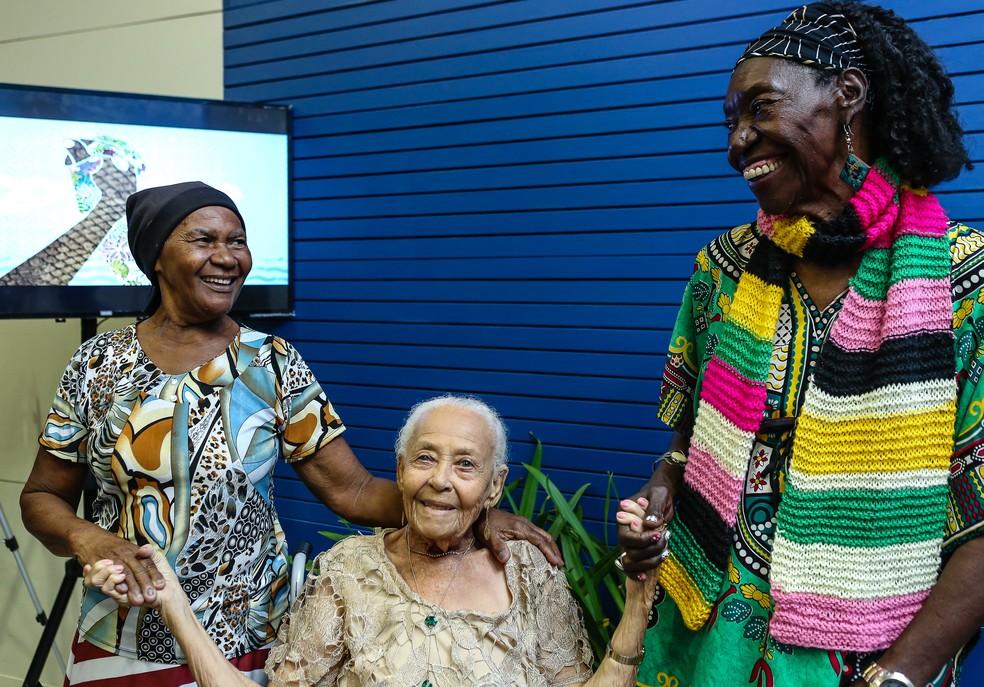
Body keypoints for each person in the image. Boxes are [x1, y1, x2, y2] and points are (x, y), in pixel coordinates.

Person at [19, 182, 561, 686]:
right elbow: (42, 497)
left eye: (237, 241)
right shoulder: (97, 364)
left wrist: (465, 514)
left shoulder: (272, 363)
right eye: (204, 240)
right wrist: (87, 538)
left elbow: (352, 490)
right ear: (156, 257)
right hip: (119, 635)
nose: (227, 257)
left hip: (246, 639)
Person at [617, 3, 984, 687]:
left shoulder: (966, 285)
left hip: (866, 656)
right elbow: (688, 443)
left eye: (760, 108)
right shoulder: (721, 271)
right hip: (702, 641)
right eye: (731, 122)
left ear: (848, 93)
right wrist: (660, 490)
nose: (738, 141)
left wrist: (900, 675)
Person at [84, 394, 665, 686]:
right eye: (425, 459)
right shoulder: (349, 572)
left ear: (495, 487)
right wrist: (173, 600)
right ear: (400, 470)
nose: (440, 479)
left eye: (465, 465)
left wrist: (638, 601)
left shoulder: (529, 573)